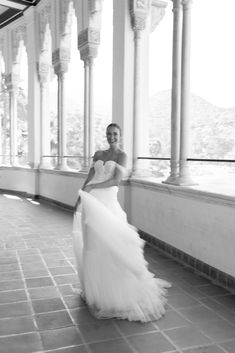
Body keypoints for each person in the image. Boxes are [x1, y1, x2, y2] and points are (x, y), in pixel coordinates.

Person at [73, 123, 170, 322]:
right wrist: (81, 197)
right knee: (92, 245)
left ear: (120, 135)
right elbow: (89, 177)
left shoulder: (122, 156)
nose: (112, 137)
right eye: (109, 134)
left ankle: (114, 293)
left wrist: (92, 188)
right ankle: (96, 292)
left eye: (115, 134)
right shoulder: (98, 153)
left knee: (111, 244)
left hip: (107, 203)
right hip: (91, 203)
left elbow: (116, 181)